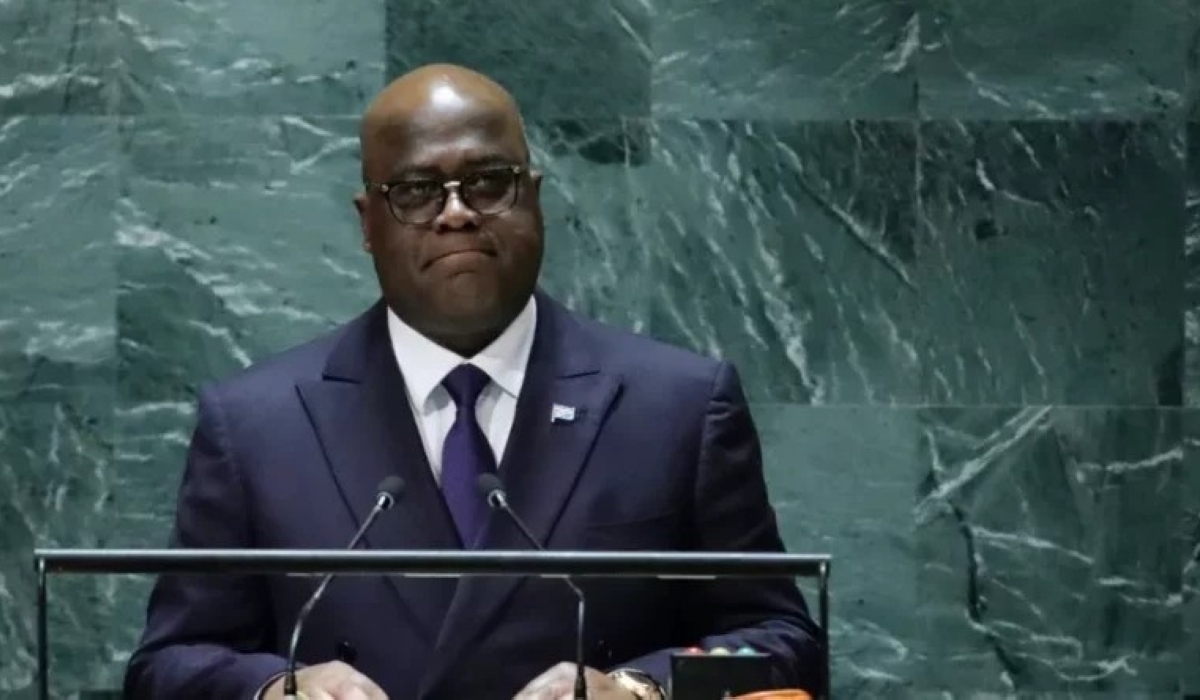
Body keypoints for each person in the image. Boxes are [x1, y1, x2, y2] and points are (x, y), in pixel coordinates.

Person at [123, 63, 823, 700]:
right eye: (419, 190)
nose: (456, 212)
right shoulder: (257, 424)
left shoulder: (677, 406)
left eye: (488, 182)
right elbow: (168, 664)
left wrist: (642, 690)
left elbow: (781, 643)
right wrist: (276, 689)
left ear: (536, 198)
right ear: (369, 223)